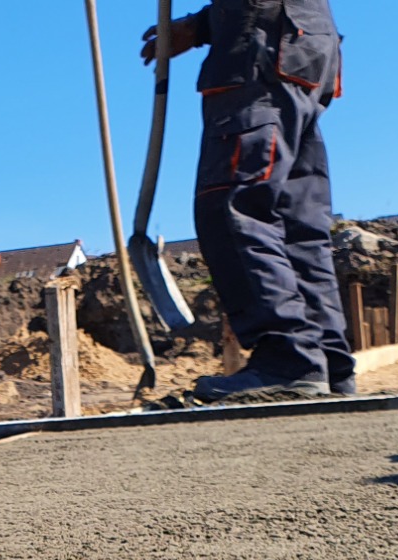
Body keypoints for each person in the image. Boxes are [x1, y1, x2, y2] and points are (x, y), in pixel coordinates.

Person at [143, 0, 355, 402]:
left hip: (262, 47)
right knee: (294, 223)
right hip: (299, 43)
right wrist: (204, 25)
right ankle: (325, 364)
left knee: (235, 205)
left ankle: (289, 358)